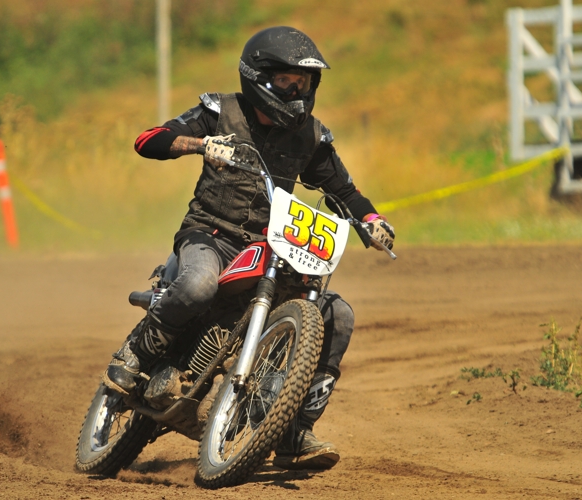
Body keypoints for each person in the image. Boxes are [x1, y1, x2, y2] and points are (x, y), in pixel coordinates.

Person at [104, 26, 395, 471]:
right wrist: (200, 144)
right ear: (257, 77)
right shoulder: (220, 112)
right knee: (200, 284)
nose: (297, 91)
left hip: (271, 247)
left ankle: (292, 430)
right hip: (210, 235)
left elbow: (345, 191)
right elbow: (148, 140)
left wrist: (372, 222)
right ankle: (137, 354)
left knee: (339, 316)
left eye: (305, 82)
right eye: (286, 81)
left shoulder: (312, 136)